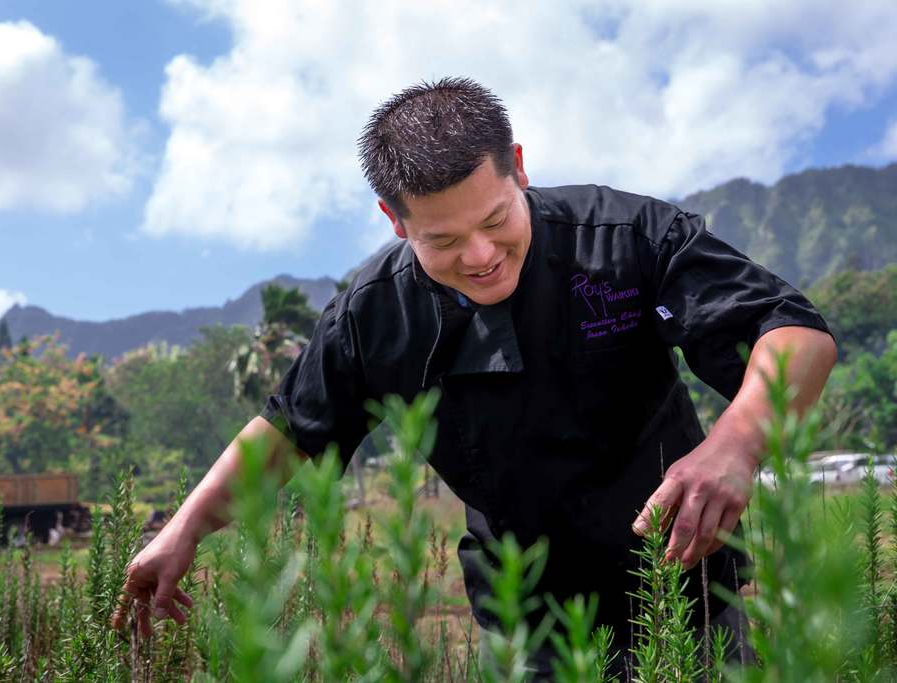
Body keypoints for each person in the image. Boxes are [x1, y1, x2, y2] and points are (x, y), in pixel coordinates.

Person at [111, 77, 837, 677]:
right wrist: (183, 529)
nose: (481, 255)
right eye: (444, 240)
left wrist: (735, 444)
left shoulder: (627, 238)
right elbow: (288, 432)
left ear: (518, 166)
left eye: (495, 219)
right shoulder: (372, 313)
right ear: (395, 221)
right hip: (527, 634)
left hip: (685, 608)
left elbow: (794, 332)